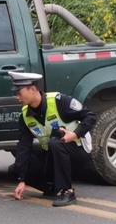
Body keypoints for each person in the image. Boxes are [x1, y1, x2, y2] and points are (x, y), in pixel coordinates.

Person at [9, 71, 96, 207]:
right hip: (53, 155)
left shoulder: (59, 101)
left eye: (19, 92)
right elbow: (23, 146)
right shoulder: (25, 116)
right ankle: (51, 187)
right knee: (17, 167)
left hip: (78, 150)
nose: (17, 97)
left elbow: (90, 117)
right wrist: (22, 180)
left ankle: (67, 191)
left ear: (32, 90)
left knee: (55, 142)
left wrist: (74, 134)